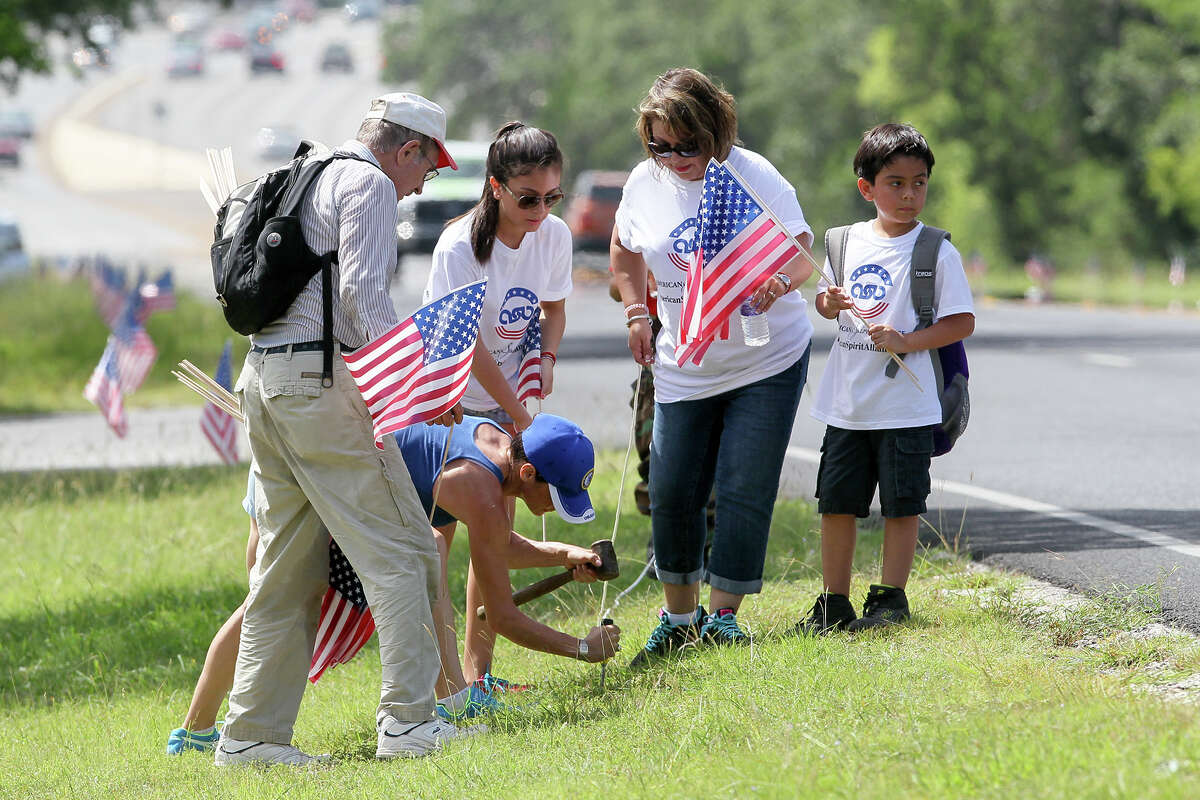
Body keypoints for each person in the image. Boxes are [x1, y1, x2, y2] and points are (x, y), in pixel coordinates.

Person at [218, 92, 465, 766]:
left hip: (264, 383)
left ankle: (250, 739)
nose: (422, 185)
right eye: (429, 169)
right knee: (405, 550)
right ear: (407, 148)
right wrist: (416, 386)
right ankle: (409, 723)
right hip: (319, 387)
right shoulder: (370, 185)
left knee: (281, 574)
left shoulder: (310, 171)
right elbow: (362, 301)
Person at [166, 415, 621, 753]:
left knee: (427, 559)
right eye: (555, 495)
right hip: (307, 480)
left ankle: (450, 702)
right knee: (266, 604)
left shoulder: (497, 450)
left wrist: (565, 554)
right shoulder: (478, 486)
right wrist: (582, 648)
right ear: (527, 473)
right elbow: (501, 614)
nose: (552, 507)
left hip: (330, 479)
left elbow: (498, 545)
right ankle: (195, 732)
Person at [608, 67, 815, 668]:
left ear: (716, 129)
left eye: (686, 144)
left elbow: (801, 251)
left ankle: (723, 617)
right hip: (684, 362)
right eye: (658, 145)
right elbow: (623, 250)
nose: (673, 157)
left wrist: (779, 281)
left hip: (766, 357)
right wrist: (636, 312)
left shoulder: (751, 176)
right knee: (672, 491)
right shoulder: (645, 183)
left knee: (743, 486)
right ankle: (677, 619)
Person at [795, 123, 975, 634]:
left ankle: (891, 599)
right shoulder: (842, 242)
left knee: (902, 505)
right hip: (848, 403)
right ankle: (834, 603)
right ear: (866, 187)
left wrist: (906, 341)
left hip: (907, 407)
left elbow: (962, 322)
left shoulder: (937, 250)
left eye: (919, 183)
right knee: (837, 504)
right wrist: (826, 303)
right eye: (895, 183)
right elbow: (828, 303)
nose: (909, 194)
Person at [424, 121, 571, 684]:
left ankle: (479, 674)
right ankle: (442, 684)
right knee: (439, 539)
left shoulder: (552, 236)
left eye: (551, 197)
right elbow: (465, 343)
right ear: (494, 187)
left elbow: (552, 310)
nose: (540, 210)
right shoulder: (459, 248)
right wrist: (517, 411)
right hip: (449, 403)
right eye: (527, 198)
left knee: (496, 541)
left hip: (511, 403)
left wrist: (546, 363)